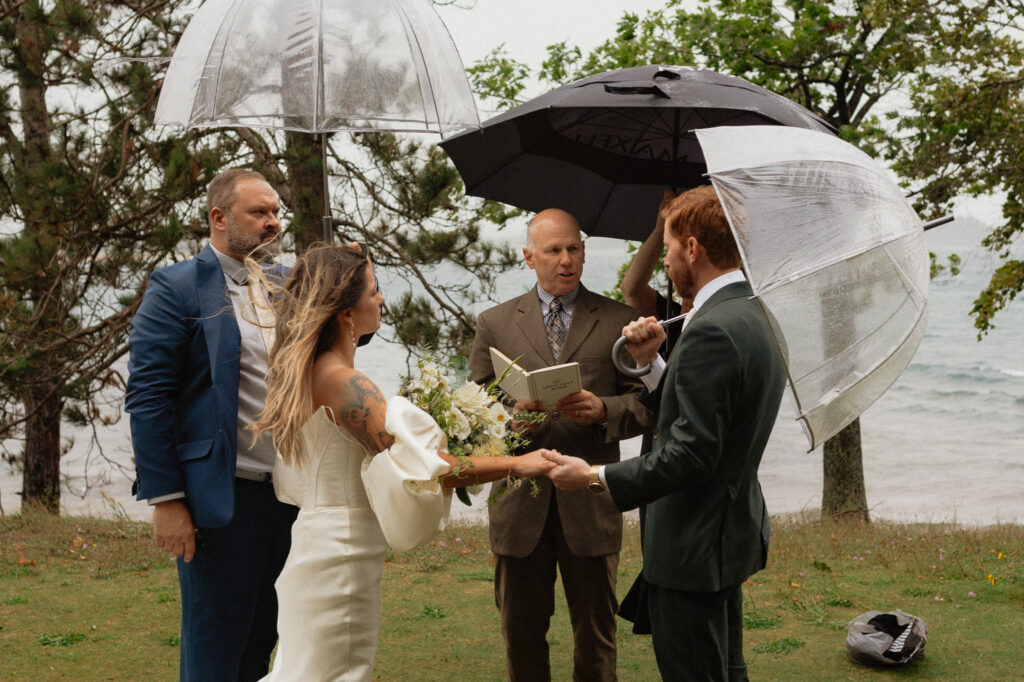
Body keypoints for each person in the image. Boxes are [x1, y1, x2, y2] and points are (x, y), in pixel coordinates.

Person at [249, 243, 557, 681]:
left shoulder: (307, 372)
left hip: (316, 541)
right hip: (342, 554)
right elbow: (427, 467)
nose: (382, 300)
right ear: (345, 312)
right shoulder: (346, 383)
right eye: (373, 290)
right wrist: (517, 464)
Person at [544, 185, 788, 681]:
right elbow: (705, 417)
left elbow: (692, 454)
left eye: (672, 247)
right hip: (725, 537)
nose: (669, 260)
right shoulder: (753, 312)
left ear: (693, 249)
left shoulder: (712, 330)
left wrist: (594, 476)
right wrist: (652, 366)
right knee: (725, 670)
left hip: (694, 545)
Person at [125, 168, 299, 681]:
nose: (273, 223)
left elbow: (337, 346)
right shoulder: (176, 286)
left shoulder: (288, 283)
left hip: (291, 499)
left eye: (276, 212)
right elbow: (150, 397)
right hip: (221, 502)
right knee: (214, 654)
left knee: (265, 647)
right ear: (219, 218)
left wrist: (352, 280)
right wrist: (167, 499)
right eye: (259, 213)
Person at [468, 209, 652, 681]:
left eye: (574, 248)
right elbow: (473, 415)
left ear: (584, 252)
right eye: (553, 251)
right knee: (521, 635)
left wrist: (604, 410)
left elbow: (648, 405)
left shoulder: (619, 320)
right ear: (529, 257)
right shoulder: (495, 323)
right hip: (518, 507)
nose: (565, 260)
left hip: (590, 501)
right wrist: (512, 424)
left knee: (596, 636)